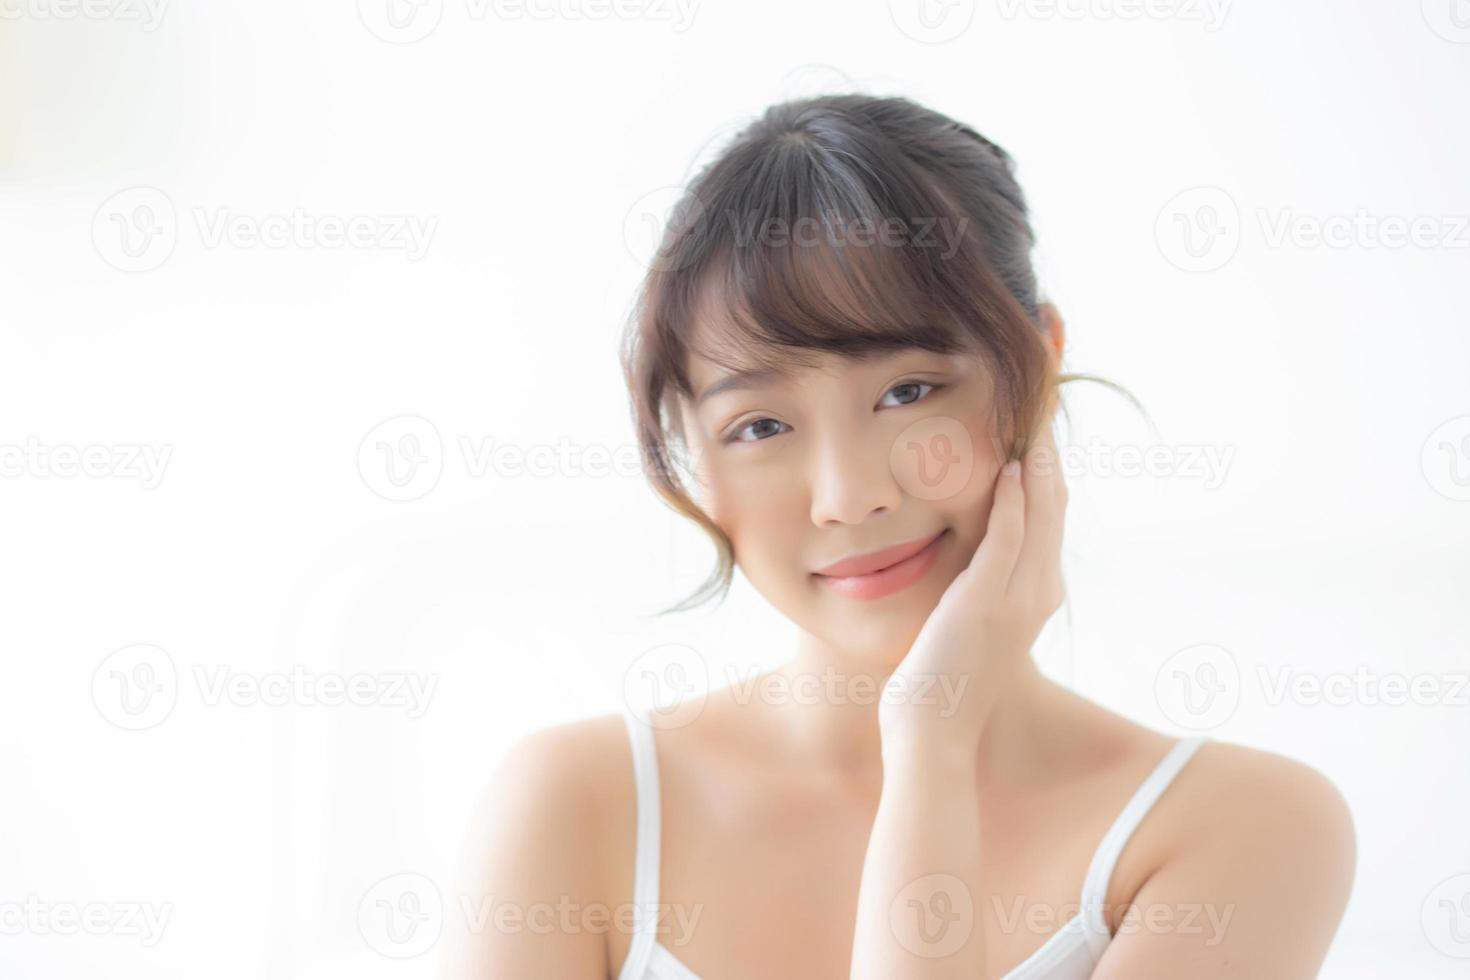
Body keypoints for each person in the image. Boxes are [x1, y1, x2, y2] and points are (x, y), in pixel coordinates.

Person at [449, 93, 1355, 979]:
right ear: (693, 449)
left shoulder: (1240, 827)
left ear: (1038, 365)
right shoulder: (575, 807)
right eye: (760, 427)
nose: (848, 497)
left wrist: (931, 744)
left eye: (908, 392)